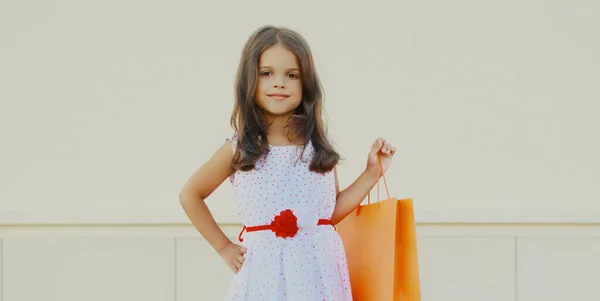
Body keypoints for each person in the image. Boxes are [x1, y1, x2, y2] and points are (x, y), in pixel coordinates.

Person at [179, 25, 396, 301]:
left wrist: (372, 173)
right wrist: (224, 248)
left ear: (306, 84)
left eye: (291, 75)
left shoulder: (317, 146)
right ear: (249, 81)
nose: (279, 83)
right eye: (266, 73)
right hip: (264, 276)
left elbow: (327, 214)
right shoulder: (240, 147)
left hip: (320, 274)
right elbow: (190, 194)